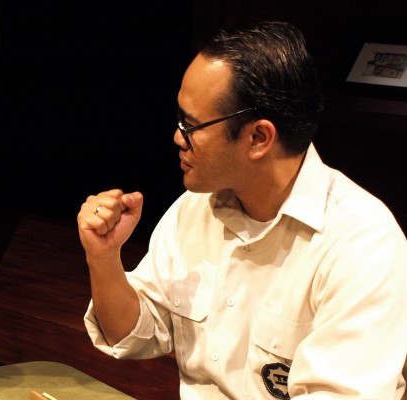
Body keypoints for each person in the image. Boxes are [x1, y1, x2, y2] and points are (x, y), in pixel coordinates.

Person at [77, 21, 407, 399]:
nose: (177, 137)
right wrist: (103, 258)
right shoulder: (195, 207)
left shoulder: (363, 244)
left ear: (258, 138)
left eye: (191, 125)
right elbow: (132, 335)